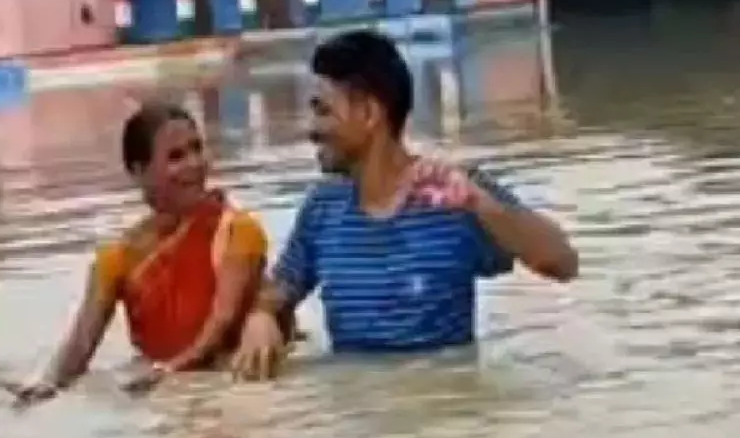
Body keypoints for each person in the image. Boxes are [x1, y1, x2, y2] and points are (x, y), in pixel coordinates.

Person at [232, 29, 578, 379]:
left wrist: (481, 204)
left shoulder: (455, 194)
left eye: (323, 111)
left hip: (442, 410)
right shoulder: (323, 209)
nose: (311, 129)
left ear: (368, 113)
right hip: (359, 419)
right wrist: (261, 317)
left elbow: (563, 263)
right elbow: (278, 292)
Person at [19, 101, 278, 401]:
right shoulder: (117, 260)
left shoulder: (238, 231)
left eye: (197, 149)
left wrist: (170, 370)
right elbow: (79, 347)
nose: (194, 164)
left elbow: (221, 323)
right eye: (176, 156)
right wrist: (45, 386)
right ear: (139, 171)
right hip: (165, 386)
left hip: (232, 384)